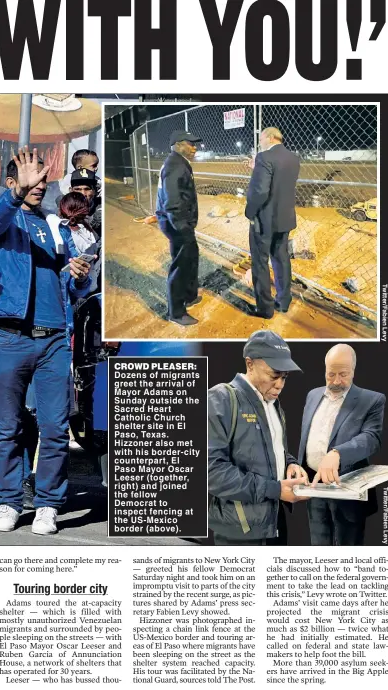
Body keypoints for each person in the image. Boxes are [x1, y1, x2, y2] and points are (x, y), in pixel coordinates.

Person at [0, 147, 93, 536]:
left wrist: (76, 275)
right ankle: (8, 500)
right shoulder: (0, 220)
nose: (39, 186)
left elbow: (75, 286)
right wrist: (14, 196)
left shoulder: (56, 226)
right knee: (7, 426)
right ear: (13, 182)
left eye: (44, 181)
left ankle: (48, 504)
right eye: (31, 180)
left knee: (55, 427)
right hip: (9, 338)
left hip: (54, 340)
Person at [208, 330, 308, 545]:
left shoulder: (274, 406)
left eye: (284, 377)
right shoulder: (221, 398)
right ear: (250, 364)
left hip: (274, 523)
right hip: (238, 532)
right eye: (274, 375)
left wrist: (290, 463)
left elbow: (272, 450)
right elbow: (211, 472)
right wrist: (275, 489)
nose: (280, 384)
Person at [298, 344, 385, 546]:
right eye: (331, 374)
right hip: (315, 488)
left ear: (353, 370)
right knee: (318, 550)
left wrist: (337, 453)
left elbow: (371, 438)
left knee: (348, 554)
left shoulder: (371, 400)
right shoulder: (312, 395)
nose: (336, 381)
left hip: (348, 492)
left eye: (343, 374)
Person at [245, 127, 300, 318]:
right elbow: (278, 182)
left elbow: (260, 192)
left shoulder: (264, 157)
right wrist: (257, 169)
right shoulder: (294, 158)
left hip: (264, 221)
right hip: (284, 219)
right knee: (281, 259)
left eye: (261, 139)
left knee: (260, 262)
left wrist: (249, 212)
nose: (260, 143)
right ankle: (284, 301)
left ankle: (265, 308)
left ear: (269, 137)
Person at [156, 129, 202, 327]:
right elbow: (172, 202)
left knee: (192, 256)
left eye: (195, 144)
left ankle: (189, 295)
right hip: (177, 223)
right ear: (178, 145)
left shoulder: (178, 162)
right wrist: (184, 229)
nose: (194, 147)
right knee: (181, 265)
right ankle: (176, 311)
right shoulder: (175, 165)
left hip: (179, 221)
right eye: (190, 143)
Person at [69, 169, 102, 236]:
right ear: (71, 191)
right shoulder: (63, 211)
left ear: (95, 191)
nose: (83, 193)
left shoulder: (101, 211)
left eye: (87, 189)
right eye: (77, 189)